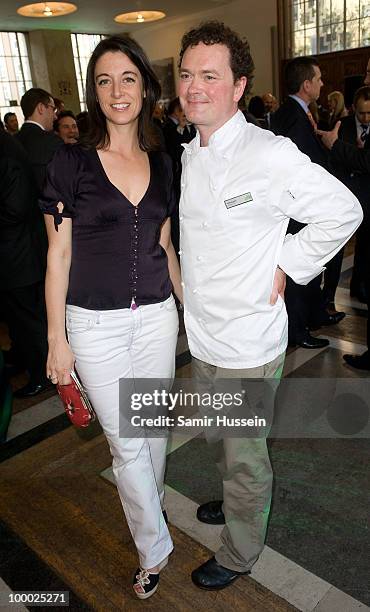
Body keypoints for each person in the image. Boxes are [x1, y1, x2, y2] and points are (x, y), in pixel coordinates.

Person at [177, 20, 362, 590]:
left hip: (247, 343)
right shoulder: (189, 153)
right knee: (222, 440)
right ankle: (233, 501)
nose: (193, 87)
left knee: (246, 457)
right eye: (186, 75)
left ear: (238, 86)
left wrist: (286, 263)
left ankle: (240, 551)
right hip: (204, 336)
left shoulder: (269, 153)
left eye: (210, 75)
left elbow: (344, 211)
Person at [39, 35, 182, 599]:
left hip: (156, 316)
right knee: (126, 444)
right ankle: (155, 548)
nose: (117, 91)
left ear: (145, 87)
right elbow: (58, 255)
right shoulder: (69, 162)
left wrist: (186, 311)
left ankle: (152, 510)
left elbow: (165, 246)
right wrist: (57, 340)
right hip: (93, 326)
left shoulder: (163, 162)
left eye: (128, 78)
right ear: (94, 93)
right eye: (104, 80)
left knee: (152, 435)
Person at [272, 56, 345, 349]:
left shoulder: (297, 112)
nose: (322, 84)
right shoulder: (292, 115)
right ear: (306, 85)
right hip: (300, 207)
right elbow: (300, 165)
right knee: (299, 270)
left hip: (304, 205)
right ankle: (297, 330)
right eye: (318, 79)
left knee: (313, 268)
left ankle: (314, 315)